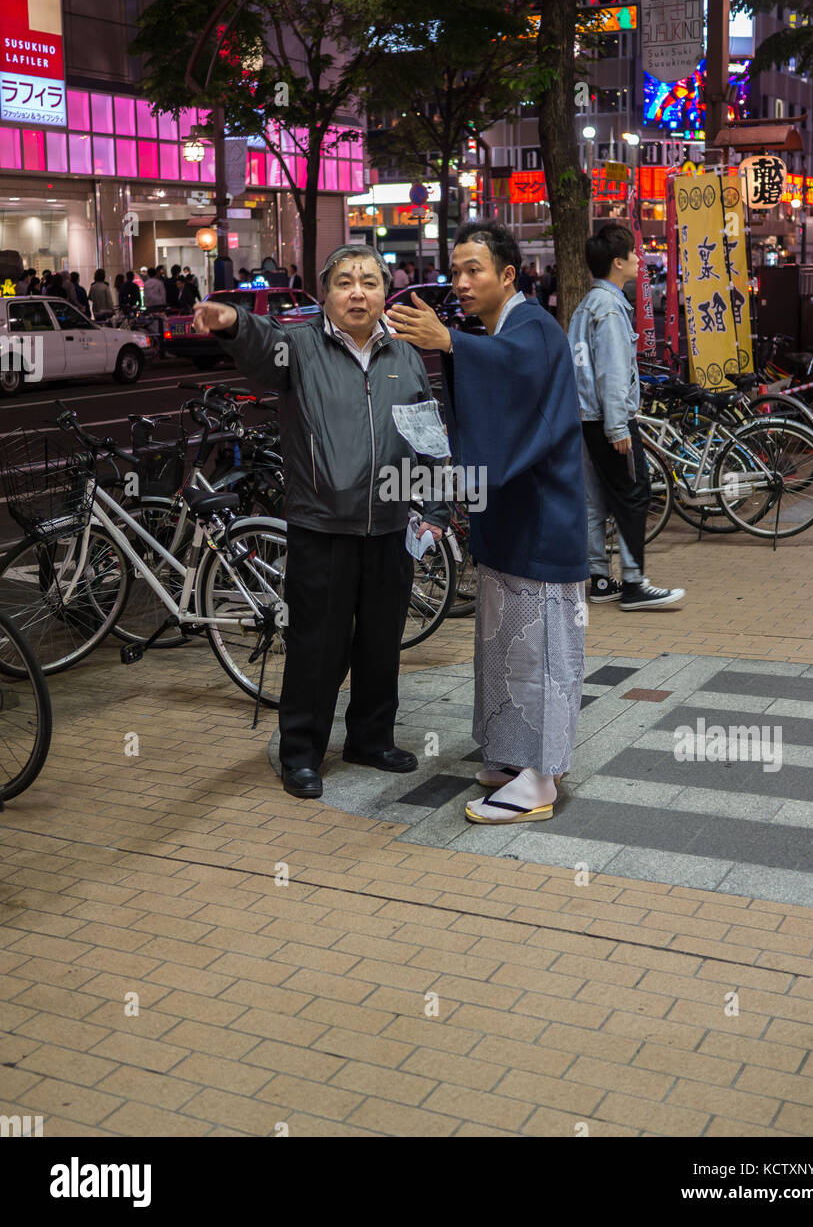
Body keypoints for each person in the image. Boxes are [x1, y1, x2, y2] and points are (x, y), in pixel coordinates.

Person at [193, 243, 450, 801]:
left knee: (381, 644)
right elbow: (262, 349)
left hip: (390, 527)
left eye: (370, 282)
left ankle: (371, 739)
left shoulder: (403, 354)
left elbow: (429, 436)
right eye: (345, 282)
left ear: (386, 292)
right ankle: (302, 753)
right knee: (317, 646)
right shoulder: (300, 348)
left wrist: (434, 508)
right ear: (325, 293)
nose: (358, 292)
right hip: (321, 527)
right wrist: (235, 322)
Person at [390, 220, 589, 827]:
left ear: (508, 274)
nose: (461, 281)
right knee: (507, 647)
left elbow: (509, 367)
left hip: (541, 520)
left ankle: (540, 778)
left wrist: (450, 341)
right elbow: (496, 376)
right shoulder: (502, 332)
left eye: (474, 269)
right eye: (455, 270)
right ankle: (513, 755)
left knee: (542, 652)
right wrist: (458, 343)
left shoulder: (532, 329)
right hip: (512, 519)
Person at [569, 223, 685, 610]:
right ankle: (634, 584)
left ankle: (601, 579)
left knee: (595, 501)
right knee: (634, 495)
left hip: (585, 419)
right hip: (609, 420)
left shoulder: (586, 306)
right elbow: (613, 371)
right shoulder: (612, 308)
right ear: (618, 262)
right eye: (633, 254)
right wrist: (618, 425)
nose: (639, 259)